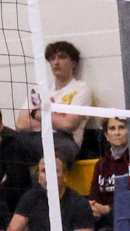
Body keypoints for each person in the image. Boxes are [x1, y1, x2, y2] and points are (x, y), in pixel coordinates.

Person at [23, 41, 92, 169]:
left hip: (65, 141)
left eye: (62, 57)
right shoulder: (39, 90)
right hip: (37, 138)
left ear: (73, 63)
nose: (56, 62)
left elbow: (68, 124)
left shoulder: (81, 89)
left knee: (57, 153)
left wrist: (37, 114)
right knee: (9, 139)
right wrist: (57, 119)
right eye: (52, 58)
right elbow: (21, 124)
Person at [88, 115, 130, 223]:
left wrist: (109, 210)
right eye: (112, 128)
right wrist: (95, 207)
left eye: (121, 127)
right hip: (105, 222)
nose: (117, 133)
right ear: (106, 136)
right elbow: (94, 198)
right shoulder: (100, 165)